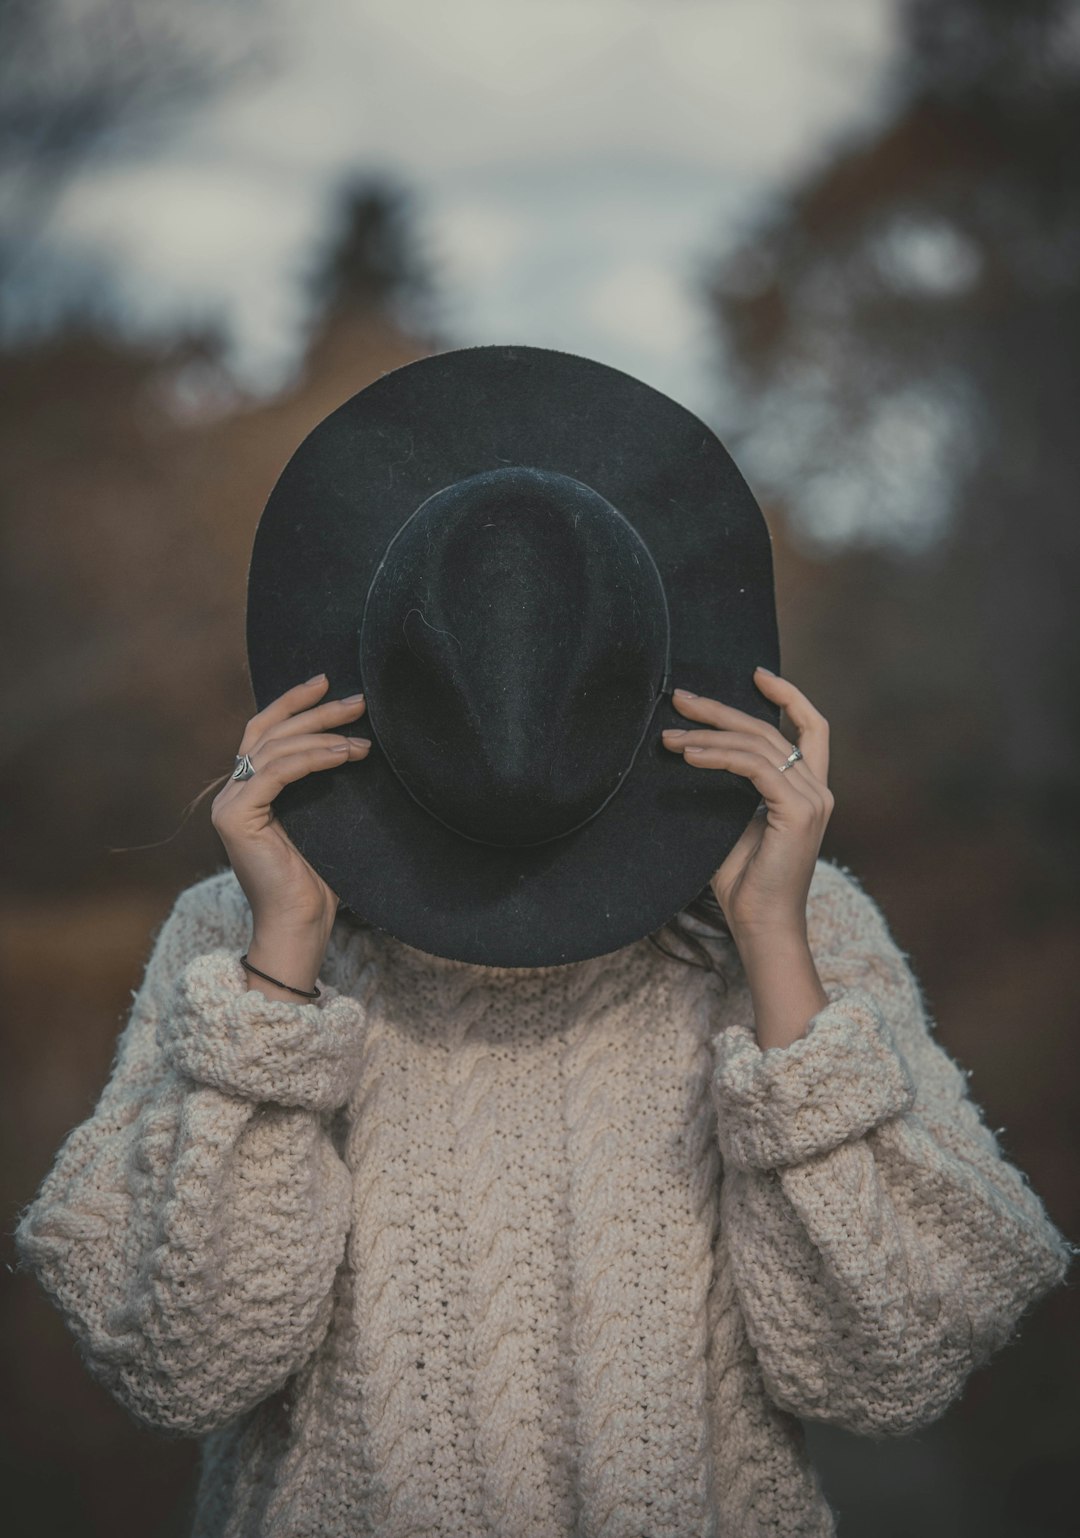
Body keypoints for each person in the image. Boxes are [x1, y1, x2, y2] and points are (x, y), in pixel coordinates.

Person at [14, 665, 1075, 1537]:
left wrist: (772, 943)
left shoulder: (796, 917)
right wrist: (283, 956)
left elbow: (890, 1365)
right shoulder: (240, 924)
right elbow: (184, 1367)